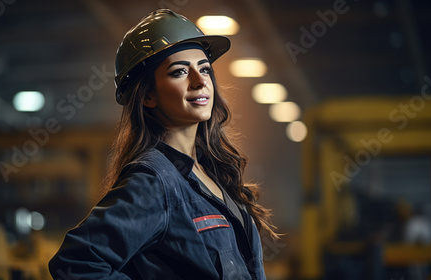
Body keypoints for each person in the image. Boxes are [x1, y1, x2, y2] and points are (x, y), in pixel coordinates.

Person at [49, 9, 279, 279]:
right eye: (180, 71)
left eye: (204, 69)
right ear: (148, 96)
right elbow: (76, 262)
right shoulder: (153, 182)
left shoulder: (213, 173)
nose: (199, 81)